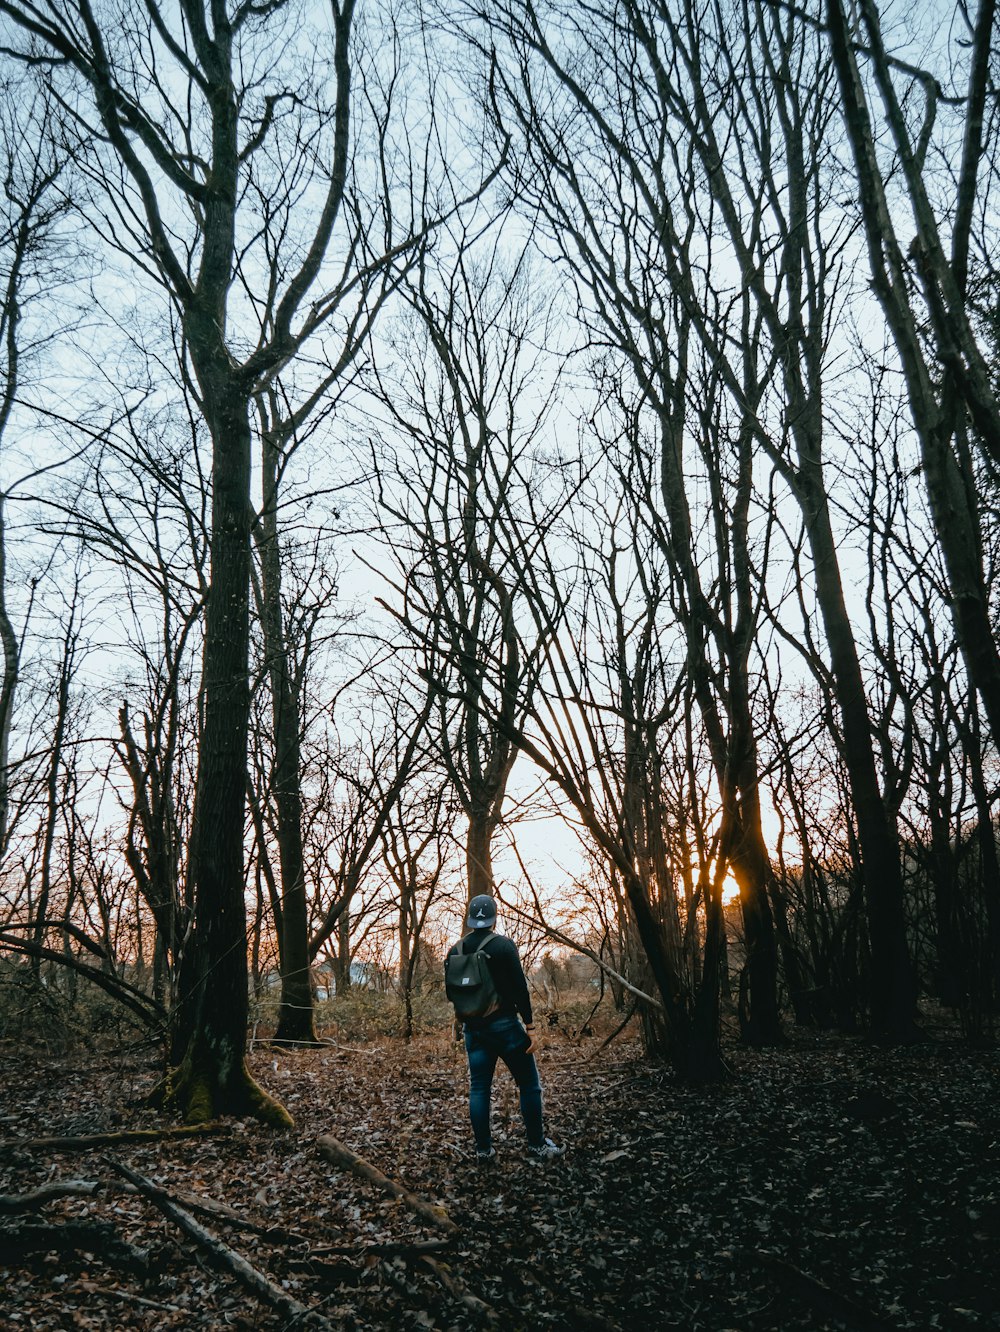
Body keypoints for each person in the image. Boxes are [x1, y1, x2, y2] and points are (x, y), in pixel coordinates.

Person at [447, 893, 564, 1162]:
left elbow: (452, 993)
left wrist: (461, 1021)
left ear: (469, 918)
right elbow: (520, 990)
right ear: (493, 917)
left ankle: (483, 1151)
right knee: (529, 1085)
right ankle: (536, 1145)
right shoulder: (503, 946)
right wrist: (531, 1028)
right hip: (506, 1028)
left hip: (473, 1030)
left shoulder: (457, 950)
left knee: (479, 1089)